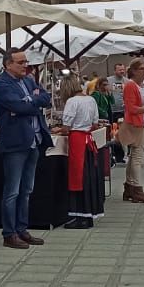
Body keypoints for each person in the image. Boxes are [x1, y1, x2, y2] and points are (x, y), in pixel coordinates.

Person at [0, 48, 51, 249]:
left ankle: (22, 229)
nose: (26, 65)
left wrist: (29, 101)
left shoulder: (28, 81)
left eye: (26, 62)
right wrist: (29, 103)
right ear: (8, 64)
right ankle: (9, 233)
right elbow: (18, 106)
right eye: (21, 62)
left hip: (34, 140)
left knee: (27, 189)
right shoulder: (1, 84)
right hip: (15, 143)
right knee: (12, 191)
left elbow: (45, 97)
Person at [59, 74, 104, 230]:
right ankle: (88, 213)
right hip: (87, 139)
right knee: (87, 176)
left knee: (77, 178)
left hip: (77, 140)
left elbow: (66, 126)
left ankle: (79, 214)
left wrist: (62, 129)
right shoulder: (90, 100)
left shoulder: (72, 102)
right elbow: (95, 123)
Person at [118, 61, 144, 203]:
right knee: (137, 157)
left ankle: (130, 188)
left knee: (134, 156)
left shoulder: (139, 86)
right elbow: (131, 108)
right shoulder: (131, 86)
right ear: (133, 70)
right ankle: (136, 188)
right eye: (142, 69)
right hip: (135, 124)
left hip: (140, 123)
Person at [107, 62, 127, 165]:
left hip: (123, 112)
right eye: (120, 70)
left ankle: (121, 156)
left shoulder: (127, 81)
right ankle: (114, 155)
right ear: (115, 70)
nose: (122, 71)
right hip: (112, 111)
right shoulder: (109, 81)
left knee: (121, 134)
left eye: (123, 69)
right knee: (113, 134)